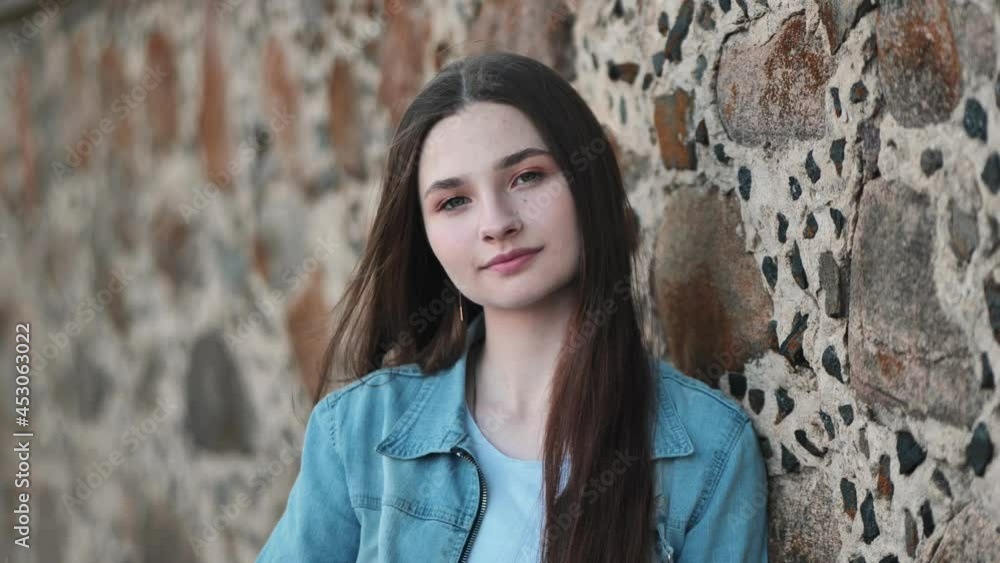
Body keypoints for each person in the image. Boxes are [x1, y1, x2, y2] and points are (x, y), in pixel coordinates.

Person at [256, 51, 768, 563]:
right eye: (454, 201)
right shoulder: (358, 431)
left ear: (586, 181)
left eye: (527, 177)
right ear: (426, 236)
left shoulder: (708, 449)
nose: (497, 223)